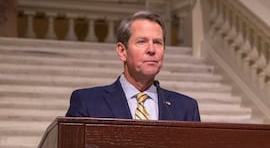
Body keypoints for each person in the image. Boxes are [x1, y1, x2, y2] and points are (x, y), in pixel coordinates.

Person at [66, 10, 201, 121]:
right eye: (142, 41)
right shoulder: (88, 102)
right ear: (122, 51)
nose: (151, 49)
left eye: (158, 42)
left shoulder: (186, 108)